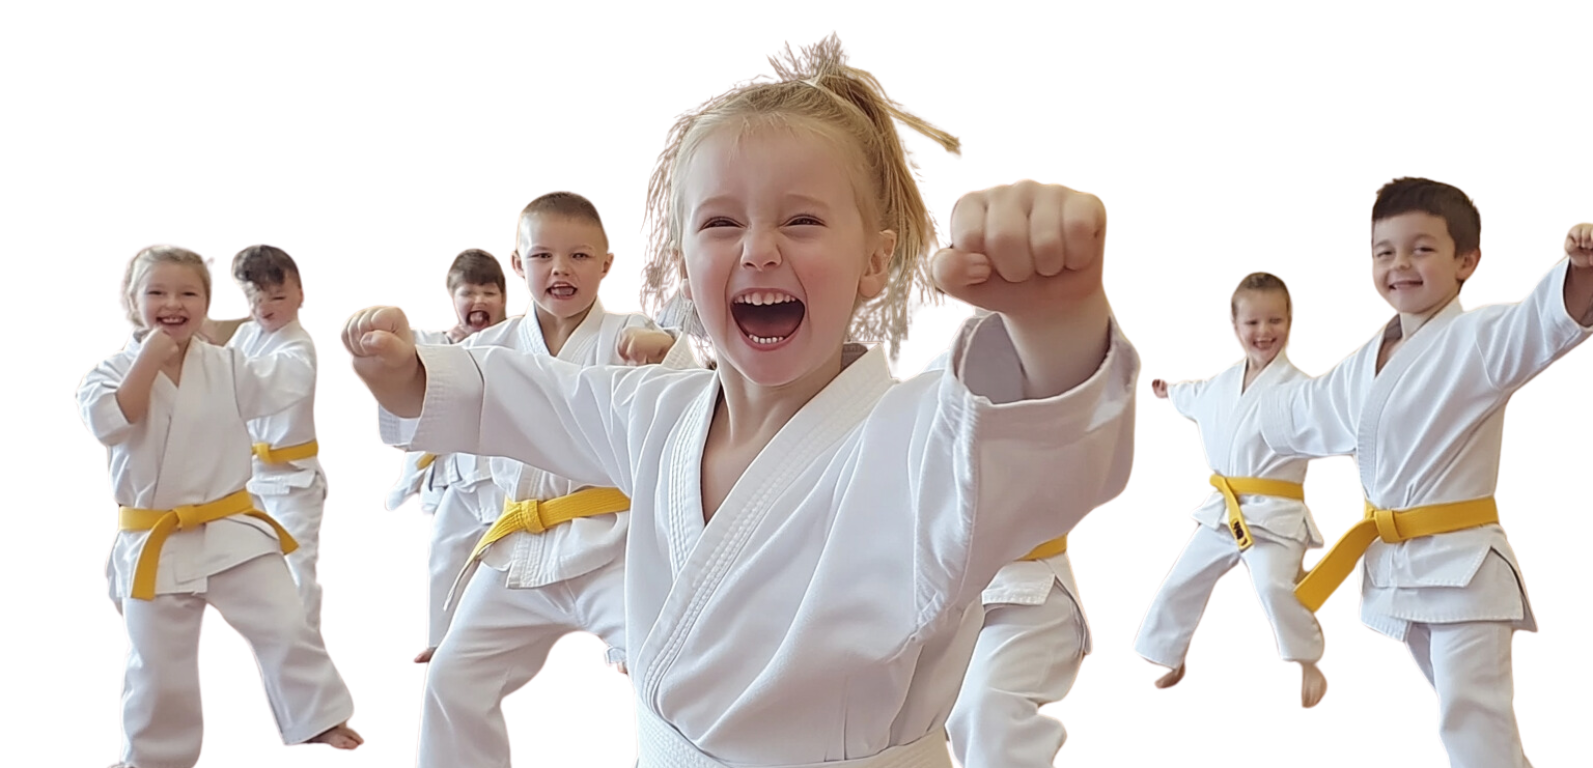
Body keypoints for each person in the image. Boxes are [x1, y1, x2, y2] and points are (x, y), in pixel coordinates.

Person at [345, 31, 1139, 766]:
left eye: (801, 220)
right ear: (684, 269)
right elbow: (536, 396)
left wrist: (1052, 325)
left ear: (874, 262)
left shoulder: (912, 434)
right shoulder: (656, 413)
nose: (758, 249)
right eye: (721, 223)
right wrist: (411, 374)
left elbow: (1028, 455)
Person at [1262, 176, 1591, 767]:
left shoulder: (1479, 336)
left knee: (1472, 715)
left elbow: (1541, 324)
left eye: (1422, 249)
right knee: (1461, 711)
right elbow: (1303, 415)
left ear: (1467, 261)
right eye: (1384, 251)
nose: (1400, 265)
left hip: (1462, 565)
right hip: (1396, 565)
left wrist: (1583, 266)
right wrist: (1245, 390)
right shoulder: (1364, 360)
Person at [413, 190, 696, 767]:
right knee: (451, 679)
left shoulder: (631, 332)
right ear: (517, 264)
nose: (560, 270)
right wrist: (387, 359)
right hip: (521, 549)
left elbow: (693, 417)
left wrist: (665, 352)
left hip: (614, 546)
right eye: (542, 256)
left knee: (671, 673)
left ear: (609, 264)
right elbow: (427, 404)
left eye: (579, 257)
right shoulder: (490, 347)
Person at [76, 243, 363, 768]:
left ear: (207, 303)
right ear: (127, 300)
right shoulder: (104, 373)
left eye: (188, 292)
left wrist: (298, 322)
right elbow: (113, 421)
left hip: (229, 525)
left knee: (285, 620)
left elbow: (289, 383)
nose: (173, 303)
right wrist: (151, 357)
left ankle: (317, 718)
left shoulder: (231, 364)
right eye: (156, 292)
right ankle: (154, 759)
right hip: (154, 538)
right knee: (157, 663)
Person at [1129, 270, 1329, 709]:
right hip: (1223, 509)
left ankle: (1308, 661)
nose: (1264, 332)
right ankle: (1171, 656)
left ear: (1291, 322)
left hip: (1275, 512)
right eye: (1253, 323)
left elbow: (1338, 425)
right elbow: (1191, 393)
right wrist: (1167, 392)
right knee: (1181, 579)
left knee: (1275, 586)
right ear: (1234, 325)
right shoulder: (1218, 385)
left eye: (1274, 321)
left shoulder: (1304, 392)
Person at [379, 247, 513, 664]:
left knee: (505, 560)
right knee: (444, 551)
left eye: (489, 292)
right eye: (468, 293)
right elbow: (403, 357)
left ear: (505, 297)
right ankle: (440, 641)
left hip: (502, 472)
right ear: (451, 297)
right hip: (456, 473)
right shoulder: (433, 344)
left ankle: (507, 639)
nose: (479, 302)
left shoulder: (517, 339)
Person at [224, 243, 330, 631]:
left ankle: (305, 640)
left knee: (297, 564)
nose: (265, 307)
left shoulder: (300, 346)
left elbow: (253, 388)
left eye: (277, 297)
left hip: (293, 480)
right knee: (251, 566)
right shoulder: (244, 337)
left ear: (301, 295)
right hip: (248, 477)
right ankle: (268, 638)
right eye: (253, 297)